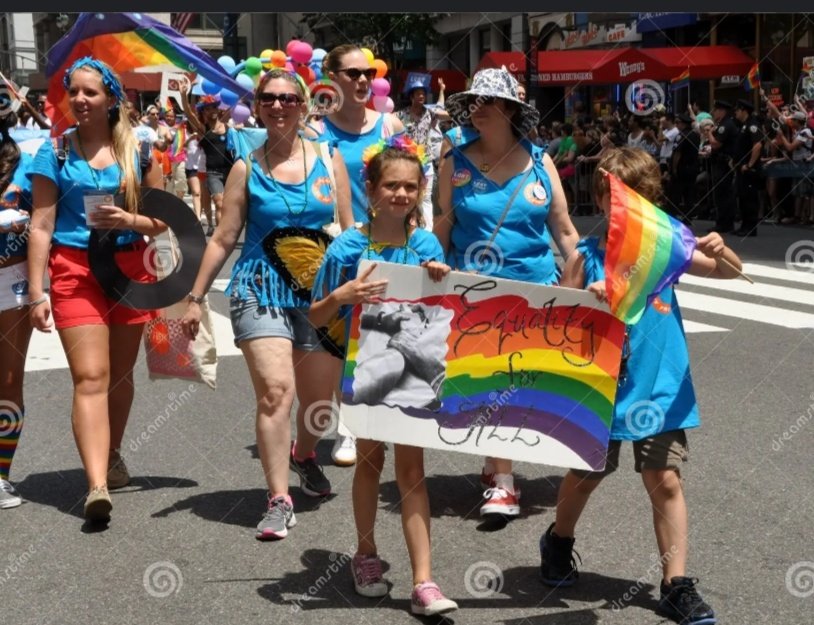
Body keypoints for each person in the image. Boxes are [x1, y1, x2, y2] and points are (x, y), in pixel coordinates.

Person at [540, 146, 742, 625]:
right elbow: (558, 323)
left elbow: (732, 273)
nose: (621, 206)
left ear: (649, 202)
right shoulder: (585, 256)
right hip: (598, 385)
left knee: (665, 479)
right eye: (612, 196)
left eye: (633, 196)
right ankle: (558, 540)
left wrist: (721, 248)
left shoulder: (667, 249)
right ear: (601, 200)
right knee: (587, 474)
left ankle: (675, 585)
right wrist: (588, 301)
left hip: (660, 386)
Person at [180, 68, 352, 540]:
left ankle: (303, 455)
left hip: (320, 291)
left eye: (288, 99)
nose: (278, 107)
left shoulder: (328, 158)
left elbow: (352, 232)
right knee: (278, 391)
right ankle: (278, 498)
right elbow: (223, 237)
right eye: (269, 99)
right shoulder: (244, 168)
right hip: (259, 288)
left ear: (303, 105)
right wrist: (195, 298)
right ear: (257, 106)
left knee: (319, 403)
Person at [308, 137, 457, 616]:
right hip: (366, 368)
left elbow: (446, 306)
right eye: (391, 185)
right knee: (369, 463)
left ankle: (424, 581)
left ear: (420, 191)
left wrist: (441, 276)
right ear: (370, 188)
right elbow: (313, 316)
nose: (401, 194)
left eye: (410, 186)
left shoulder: (425, 244)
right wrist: (344, 294)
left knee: (412, 473)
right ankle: (366, 554)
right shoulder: (348, 246)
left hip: (415, 371)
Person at [436, 67, 580, 519]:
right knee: (492, 381)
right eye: (474, 102)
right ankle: (503, 482)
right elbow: (442, 224)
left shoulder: (541, 161)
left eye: (488, 102)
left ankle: (495, 460)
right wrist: (426, 277)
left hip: (534, 292)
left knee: (518, 386)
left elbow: (564, 230)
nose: (477, 109)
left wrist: (586, 283)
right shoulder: (453, 161)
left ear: (510, 110)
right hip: (473, 292)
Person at [27, 57, 164, 523]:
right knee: (91, 377)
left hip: (128, 268)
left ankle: (115, 450)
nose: (80, 100)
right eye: (75, 92)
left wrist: (131, 220)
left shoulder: (140, 153)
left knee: (121, 378)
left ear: (111, 99)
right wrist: (35, 290)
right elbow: (41, 224)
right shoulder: (55, 153)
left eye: (91, 92)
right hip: (75, 270)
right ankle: (97, 484)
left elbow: (165, 220)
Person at [316, 43, 406, 465]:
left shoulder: (389, 125)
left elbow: (411, 176)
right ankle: (347, 425)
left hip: (388, 239)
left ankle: (384, 411)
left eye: (367, 73)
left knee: (385, 330)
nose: (362, 80)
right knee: (344, 335)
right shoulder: (318, 132)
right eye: (351, 73)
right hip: (340, 242)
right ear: (331, 77)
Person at [0, 112, 34, 509]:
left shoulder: (24, 160)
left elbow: (44, 216)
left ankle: (1, 475)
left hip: (13, 279)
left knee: (8, 382)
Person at [396, 73, 449, 229]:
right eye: (418, 94)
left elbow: (445, 112)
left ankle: (427, 231)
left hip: (426, 163)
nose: (421, 96)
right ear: (411, 96)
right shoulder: (401, 115)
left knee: (426, 198)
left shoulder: (431, 113)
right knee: (409, 195)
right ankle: (408, 225)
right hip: (407, 163)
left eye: (423, 94)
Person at [180, 87, 233, 229]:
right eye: (208, 108)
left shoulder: (229, 128)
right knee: (219, 202)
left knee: (230, 206)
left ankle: (228, 232)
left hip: (231, 172)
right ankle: (220, 237)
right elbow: (189, 113)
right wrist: (183, 95)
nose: (213, 110)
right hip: (213, 173)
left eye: (215, 107)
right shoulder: (203, 130)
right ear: (203, 111)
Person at [731, 99, 764, 237]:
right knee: (743, 198)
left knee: (750, 199)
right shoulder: (744, 126)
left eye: (737, 110)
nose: (736, 113)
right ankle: (744, 226)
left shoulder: (752, 125)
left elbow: (758, 145)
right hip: (741, 168)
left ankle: (750, 227)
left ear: (744, 110)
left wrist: (750, 164)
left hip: (749, 170)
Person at [705, 100, 739, 232]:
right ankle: (722, 221)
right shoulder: (722, 124)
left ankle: (724, 223)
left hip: (723, 164)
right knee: (720, 194)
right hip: (719, 162)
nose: (713, 113)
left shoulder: (726, 125)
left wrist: (709, 133)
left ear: (722, 111)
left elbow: (716, 144)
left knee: (723, 193)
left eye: (715, 110)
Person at [669, 113, 701, 224]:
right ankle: (688, 216)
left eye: (678, 123)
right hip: (693, 167)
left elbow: (678, 153)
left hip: (682, 168)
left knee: (676, 192)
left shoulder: (681, 135)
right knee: (690, 193)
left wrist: (673, 169)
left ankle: (672, 216)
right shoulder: (695, 135)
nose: (676, 125)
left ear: (683, 124)